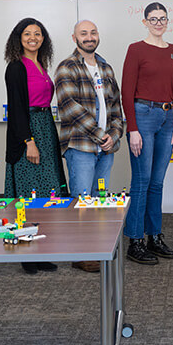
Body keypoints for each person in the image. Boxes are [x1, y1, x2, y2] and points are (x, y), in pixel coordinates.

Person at [55, 19, 124, 273]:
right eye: (83, 33)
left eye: (93, 32)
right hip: (81, 146)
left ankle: (98, 249)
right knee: (81, 200)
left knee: (100, 201)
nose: (89, 37)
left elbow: (117, 107)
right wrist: (99, 134)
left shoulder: (106, 68)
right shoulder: (66, 67)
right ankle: (80, 253)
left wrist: (113, 136)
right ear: (74, 38)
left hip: (105, 148)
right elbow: (69, 106)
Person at [3, 17, 66, 275]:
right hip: (27, 133)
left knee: (46, 196)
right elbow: (17, 110)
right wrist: (29, 142)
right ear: (18, 38)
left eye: (38, 34)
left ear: (44, 39)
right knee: (28, 199)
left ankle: (41, 251)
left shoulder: (41, 64)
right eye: (27, 33)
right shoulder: (16, 67)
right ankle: (26, 255)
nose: (33, 38)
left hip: (45, 127)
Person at [121, 2, 173, 265]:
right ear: (144, 21)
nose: (158, 23)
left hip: (168, 119)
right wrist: (132, 128)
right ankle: (135, 240)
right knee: (142, 181)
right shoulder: (136, 49)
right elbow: (127, 90)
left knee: (157, 183)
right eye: (153, 19)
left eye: (162, 19)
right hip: (143, 116)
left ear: (167, 21)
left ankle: (154, 237)